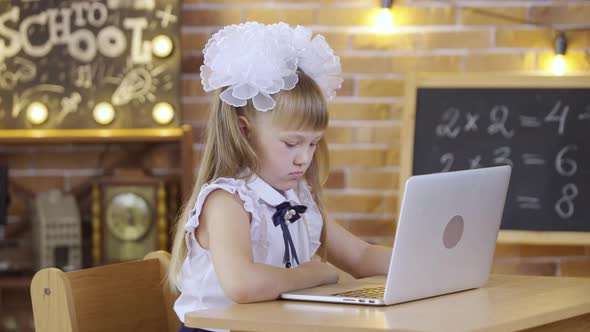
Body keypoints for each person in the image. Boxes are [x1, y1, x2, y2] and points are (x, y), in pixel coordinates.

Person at [168, 22, 392, 332]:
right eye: (291, 143)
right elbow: (243, 285)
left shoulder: (297, 198)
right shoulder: (227, 202)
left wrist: (423, 266)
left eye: (313, 143)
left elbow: (361, 255)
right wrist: (315, 273)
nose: (304, 157)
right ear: (245, 131)